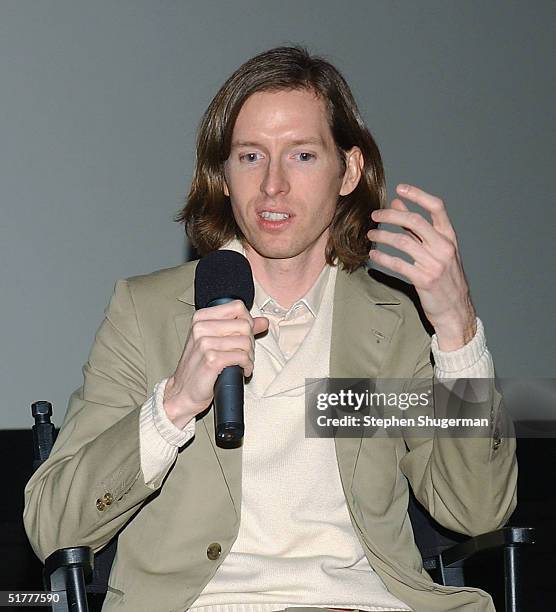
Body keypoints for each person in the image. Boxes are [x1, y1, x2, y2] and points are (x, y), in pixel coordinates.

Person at [24, 46, 517, 612]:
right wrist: (174, 405)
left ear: (348, 171)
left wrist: (456, 328)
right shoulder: (148, 313)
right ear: (225, 177)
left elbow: (476, 509)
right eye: (251, 156)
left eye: (303, 155)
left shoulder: (390, 323)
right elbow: (51, 524)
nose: (273, 185)